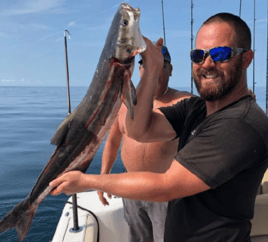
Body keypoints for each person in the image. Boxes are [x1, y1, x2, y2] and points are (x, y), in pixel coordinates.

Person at [50, 13, 268, 242]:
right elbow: (138, 131)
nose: (207, 64)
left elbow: (165, 186)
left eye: (220, 54)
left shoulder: (241, 123)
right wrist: (151, 70)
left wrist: (86, 181)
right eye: (198, 55)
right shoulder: (195, 109)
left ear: (246, 59)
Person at [97, 46, 192, 242]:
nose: (153, 71)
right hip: (131, 188)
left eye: (160, 66)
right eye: (147, 65)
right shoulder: (125, 103)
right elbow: (113, 141)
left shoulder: (183, 102)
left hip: (165, 192)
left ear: (170, 70)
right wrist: (103, 176)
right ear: (139, 70)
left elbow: (212, 115)